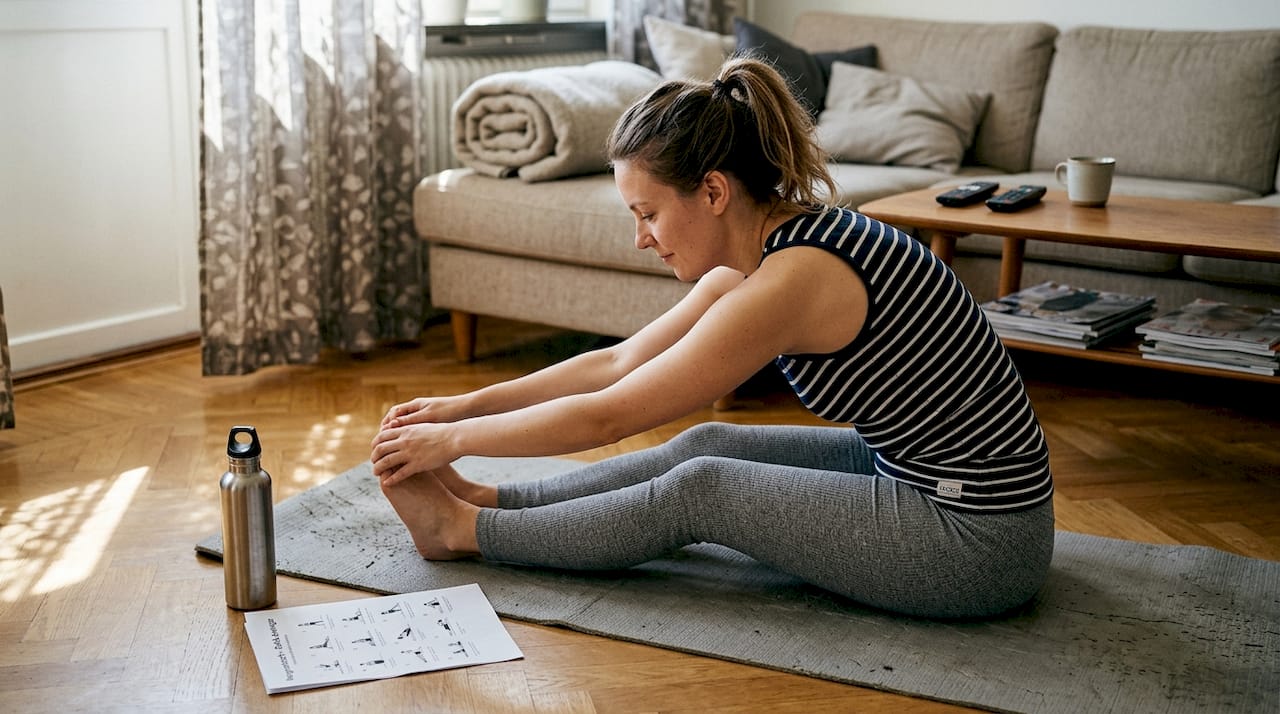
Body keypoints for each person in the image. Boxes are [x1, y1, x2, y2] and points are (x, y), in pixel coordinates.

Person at [370, 57, 1054, 619]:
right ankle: (495, 503)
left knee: (704, 487)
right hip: (902, 467)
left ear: (714, 192)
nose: (640, 239)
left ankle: (461, 531)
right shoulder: (770, 249)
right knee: (706, 443)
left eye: (648, 213)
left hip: (979, 539)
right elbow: (617, 363)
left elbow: (611, 416)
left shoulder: (792, 281)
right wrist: (463, 408)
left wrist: (451, 441)